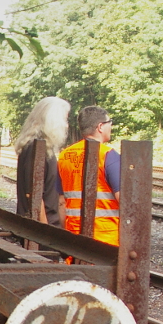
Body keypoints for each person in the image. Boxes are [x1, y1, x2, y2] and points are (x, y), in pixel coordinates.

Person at [58, 105, 121, 245]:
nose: (111, 126)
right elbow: (124, 200)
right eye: (109, 122)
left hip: (74, 239)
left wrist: (67, 234)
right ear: (100, 127)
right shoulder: (108, 155)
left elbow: (61, 202)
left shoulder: (65, 155)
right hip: (105, 240)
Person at [13, 97, 70, 227]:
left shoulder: (42, 147)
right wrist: (45, 231)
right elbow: (34, 195)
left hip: (46, 225)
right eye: (64, 120)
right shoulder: (36, 148)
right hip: (41, 228)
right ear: (52, 121)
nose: (66, 125)